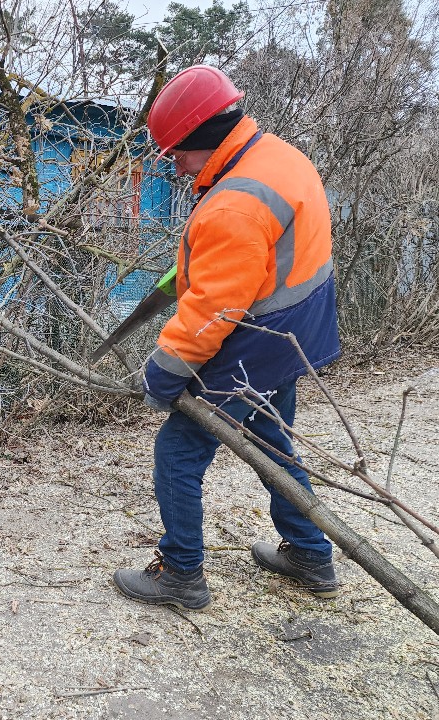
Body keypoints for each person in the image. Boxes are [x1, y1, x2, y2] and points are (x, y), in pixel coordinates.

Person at [111, 65, 342, 611]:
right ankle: (311, 554)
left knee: (177, 453)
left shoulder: (233, 202)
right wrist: (187, 272)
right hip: (290, 336)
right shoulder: (278, 158)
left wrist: (165, 371)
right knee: (270, 444)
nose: (174, 163)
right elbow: (256, 260)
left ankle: (181, 575)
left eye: (176, 152)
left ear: (202, 137)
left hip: (250, 344)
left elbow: (216, 308)